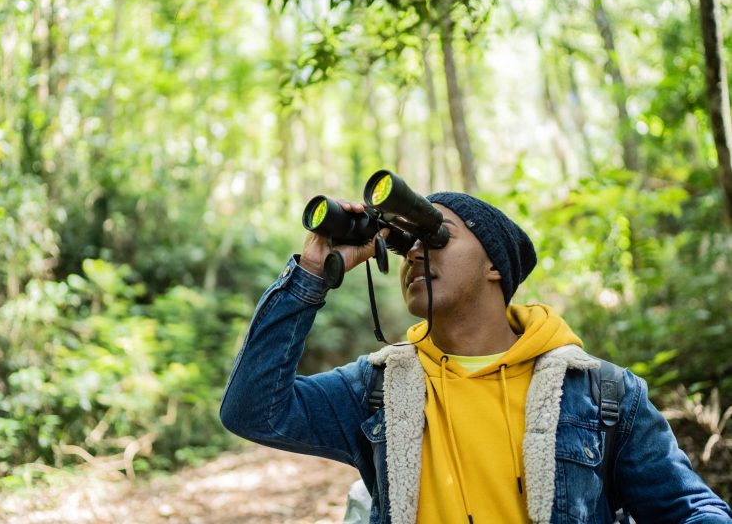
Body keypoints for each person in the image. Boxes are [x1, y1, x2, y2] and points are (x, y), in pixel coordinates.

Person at [219, 191, 732, 523]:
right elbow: (251, 410)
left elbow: (689, 509)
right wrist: (311, 270)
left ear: (495, 267)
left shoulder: (603, 393)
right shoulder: (376, 388)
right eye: (406, 245)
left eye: (437, 236)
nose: (416, 253)